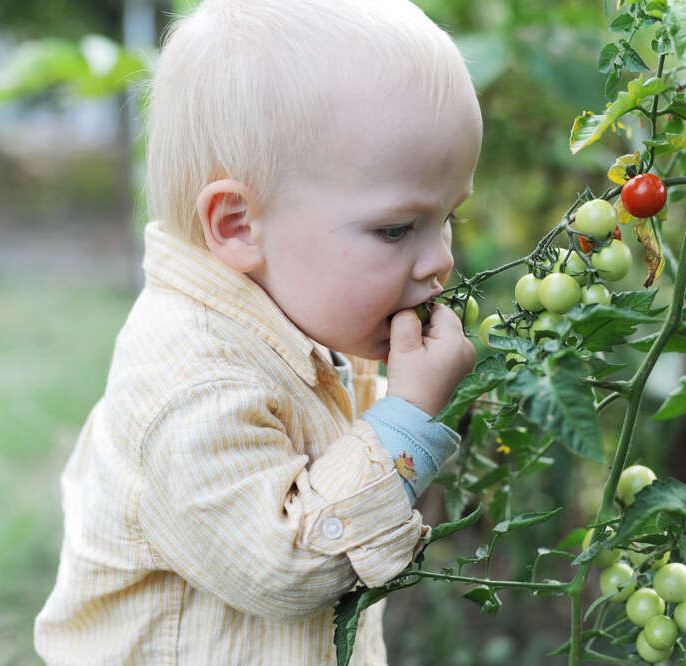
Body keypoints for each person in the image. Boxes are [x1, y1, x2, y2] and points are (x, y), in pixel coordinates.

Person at [34, 0, 482, 663]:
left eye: (448, 216)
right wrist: (408, 420)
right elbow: (284, 567)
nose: (441, 258)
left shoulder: (303, 307)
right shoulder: (194, 380)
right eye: (396, 228)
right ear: (239, 224)